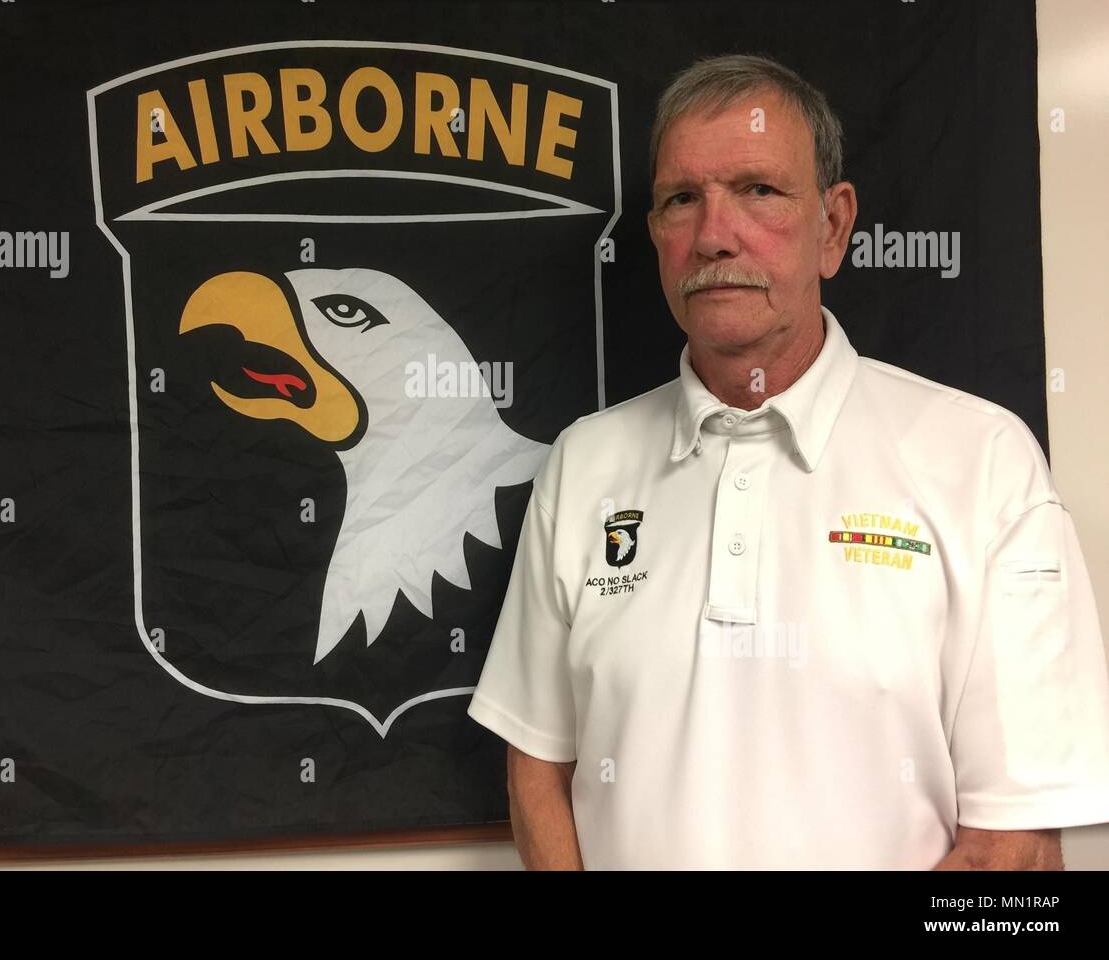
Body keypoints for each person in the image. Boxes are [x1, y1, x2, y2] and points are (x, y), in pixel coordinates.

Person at [466, 53, 1109, 870]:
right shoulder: (582, 466)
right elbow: (538, 768)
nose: (713, 235)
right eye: (681, 200)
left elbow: (1012, 844)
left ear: (833, 228)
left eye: (758, 191)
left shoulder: (982, 462)